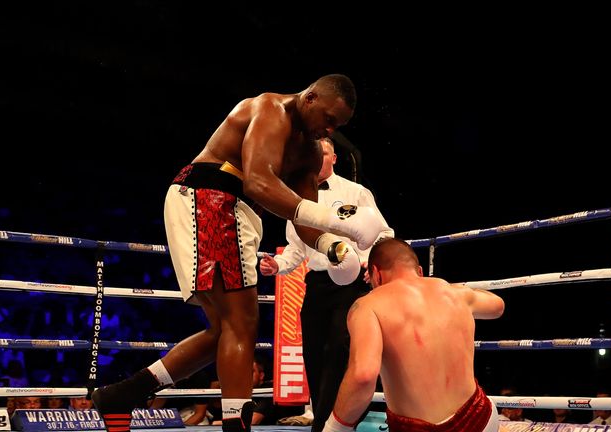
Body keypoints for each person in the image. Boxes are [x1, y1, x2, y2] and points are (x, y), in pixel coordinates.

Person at [92, 74, 388, 432]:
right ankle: (236, 427)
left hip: (235, 211)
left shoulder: (309, 152)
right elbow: (258, 182)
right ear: (309, 98)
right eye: (327, 119)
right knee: (242, 322)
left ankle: (124, 394)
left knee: (225, 329)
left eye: (337, 126)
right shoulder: (270, 109)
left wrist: (331, 244)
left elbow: (303, 216)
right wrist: (337, 219)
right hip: (211, 198)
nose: (328, 130)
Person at [259, 136, 393, 432]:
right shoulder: (297, 198)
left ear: (334, 158)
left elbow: (382, 232)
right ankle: (328, 420)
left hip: (351, 281)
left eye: (324, 153)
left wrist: (371, 263)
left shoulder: (356, 191)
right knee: (313, 352)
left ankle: (324, 424)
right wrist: (277, 265)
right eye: (313, 153)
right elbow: (295, 249)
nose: (318, 157)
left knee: (338, 349)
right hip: (317, 283)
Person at [323, 238, 505, 432]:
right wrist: (450, 289)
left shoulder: (368, 306)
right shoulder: (457, 294)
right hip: (481, 419)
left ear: (376, 274)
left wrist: (334, 427)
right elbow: (498, 306)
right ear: (419, 271)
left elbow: (364, 376)